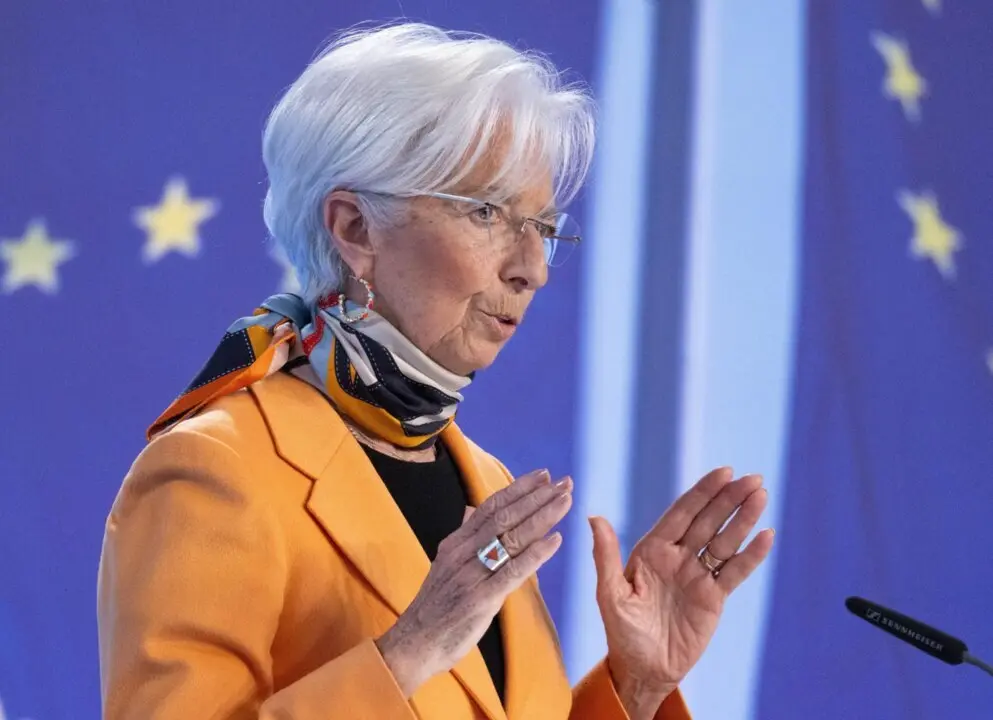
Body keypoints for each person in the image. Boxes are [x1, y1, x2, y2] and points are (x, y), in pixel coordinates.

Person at [97, 22, 774, 720]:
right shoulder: (213, 471)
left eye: (542, 227)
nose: (533, 269)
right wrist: (410, 650)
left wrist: (636, 683)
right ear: (355, 229)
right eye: (487, 212)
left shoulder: (486, 480)